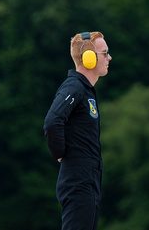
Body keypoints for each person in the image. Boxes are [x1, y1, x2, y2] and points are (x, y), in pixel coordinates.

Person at [43, 31, 112, 230]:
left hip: (88, 180)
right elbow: (52, 121)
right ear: (88, 58)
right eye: (105, 53)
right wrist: (60, 153)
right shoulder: (75, 87)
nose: (109, 57)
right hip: (78, 179)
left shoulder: (85, 89)